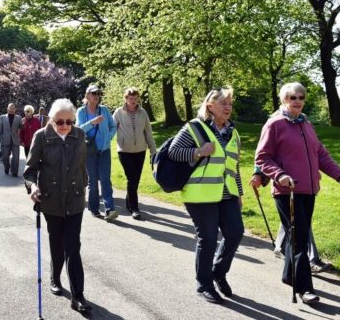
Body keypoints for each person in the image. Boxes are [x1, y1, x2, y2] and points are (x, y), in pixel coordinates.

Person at [254, 82, 340, 305]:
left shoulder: (305, 123)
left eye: (301, 97)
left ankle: (289, 275)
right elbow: (262, 158)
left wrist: (339, 175)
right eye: (291, 97)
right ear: (283, 100)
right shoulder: (275, 124)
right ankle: (305, 288)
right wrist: (280, 175)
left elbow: (320, 154)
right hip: (286, 191)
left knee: (296, 235)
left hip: (309, 190)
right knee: (300, 239)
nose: (297, 101)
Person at [168, 87, 244, 304]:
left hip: (226, 192)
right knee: (208, 238)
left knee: (236, 232)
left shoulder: (233, 132)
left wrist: (239, 193)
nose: (228, 107)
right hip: (199, 193)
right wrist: (198, 151)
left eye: (230, 103)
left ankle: (218, 272)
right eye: (223, 103)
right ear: (210, 106)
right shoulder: (194, 127)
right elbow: (174, 152)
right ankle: (204, 284)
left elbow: (233, 167)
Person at [23, 98, 92, 314]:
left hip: (75, 199)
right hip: (51, 200)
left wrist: (84, 187)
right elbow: (30, 170)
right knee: (56, 243)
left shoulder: (79, 136)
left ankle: (78, 295)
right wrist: (33, 187)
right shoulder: (41, 137)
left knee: (73, 246)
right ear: (51, 119)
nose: (64, 126)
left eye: (68, 121)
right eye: (59, 121)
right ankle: (55, 277)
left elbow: (82, 167)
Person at [249, 172, 333, 273]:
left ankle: (281, 247)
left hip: (304, 186)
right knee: (300, 223)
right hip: (285, 187)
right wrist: (258, 175)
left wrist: (313, 170)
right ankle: (311, 260)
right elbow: (264, 159)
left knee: (293, 222)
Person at [76, 84, 119, 222]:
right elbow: (79, 130)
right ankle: (94, 209)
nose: (97, 96)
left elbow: (113, 126)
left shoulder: (104, 110)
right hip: (89, 151)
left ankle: (109, 209)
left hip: (104, 150)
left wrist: (109, 137)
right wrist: (93, 122)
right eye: (94, 94)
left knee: (106, 180)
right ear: (87, 95)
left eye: (98, 94)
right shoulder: (81, 112)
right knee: (93, 182)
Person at [112, 87, 157, 219]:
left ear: (138, 99)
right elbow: (111, 130)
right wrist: (103, 143)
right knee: (132, 178)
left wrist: (153, 151)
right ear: (125, 99)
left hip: (140, 151)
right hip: (124, 151)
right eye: (130, 98)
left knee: (135, 180)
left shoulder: (143, 113)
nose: (133, 101)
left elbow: (148, 133)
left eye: (135, 99)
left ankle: (129, 203)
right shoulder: (118, 112)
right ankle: (135, 208)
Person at [0, 103, 22, 176]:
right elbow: (0, 128)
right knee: (5, 157)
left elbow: (22, 127)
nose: (11, 109)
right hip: (5, 139)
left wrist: (24, 122)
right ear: (7, 109)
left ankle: (14, 172)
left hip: (15, 140)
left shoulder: (19, 118)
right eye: (10, 108)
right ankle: (7, 167)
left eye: (13, 108)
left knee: (16, 157)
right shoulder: (2, 117)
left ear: (15, 109)